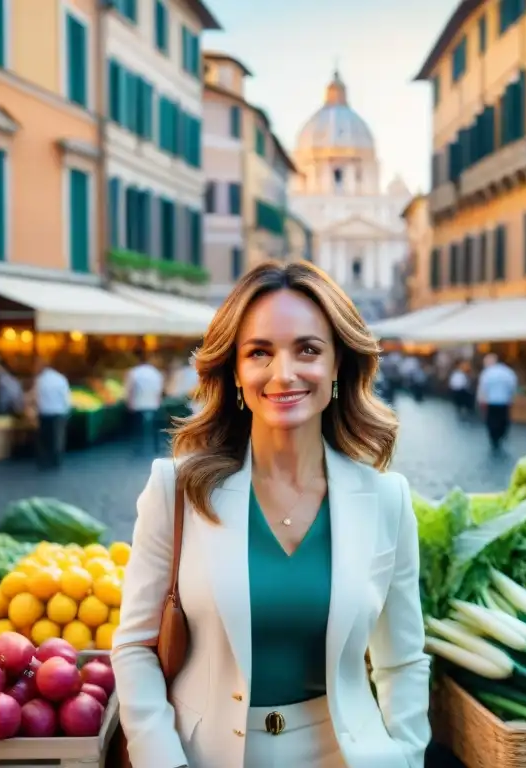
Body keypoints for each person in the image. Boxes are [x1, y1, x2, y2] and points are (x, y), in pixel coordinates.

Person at [112, 262, 430, 768]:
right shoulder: (176, 489)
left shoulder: (387, 499)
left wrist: (406, 758)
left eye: (307, 349)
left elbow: (403, 661)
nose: (284, 373)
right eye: (259, 352)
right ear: (235, 371)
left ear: (338, 365)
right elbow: (134, 648)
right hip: (203, 757)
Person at [477, 353, 518, 451]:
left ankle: (494, 438)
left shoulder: (487, 372)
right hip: (504, 400)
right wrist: (511, 397)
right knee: (503, 419)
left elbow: (483, 388)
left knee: (492, 420)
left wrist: (481, 400)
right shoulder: (507, 371)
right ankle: (501, 435)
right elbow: (512, 385)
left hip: (491, 401)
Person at [34, 360, 70, 470]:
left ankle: (44, 460)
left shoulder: (40, 380)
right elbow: (66, 397)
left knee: (45, 438)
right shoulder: (61, 379)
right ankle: (56, 460)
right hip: (59, 412)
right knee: (58, 437)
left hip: (44, 412)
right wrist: (67, 410)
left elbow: (36, 397)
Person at [125, 355, 165, 453]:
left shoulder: (134, 372)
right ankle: (156, 448)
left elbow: (129, 388)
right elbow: (160, 390)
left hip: (138, 404)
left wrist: (129, 402)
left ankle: (138, 448)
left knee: (138, 427)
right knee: (154, 427)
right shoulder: (156, 373)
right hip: (153, 404)